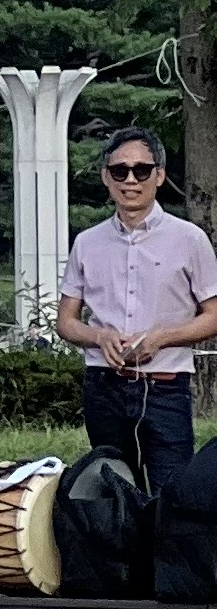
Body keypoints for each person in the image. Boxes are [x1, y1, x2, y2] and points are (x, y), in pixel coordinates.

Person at [54, 125, 217, 495]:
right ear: (106, 178)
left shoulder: (189, 238)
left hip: (165, 387)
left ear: (159, 175)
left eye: (142, 170)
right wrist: (99, 336)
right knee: (112, 494)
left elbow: (213, 314)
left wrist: (162, 338)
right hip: (103, 386)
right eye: (119, 171)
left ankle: (169, 555)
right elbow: (66, 321)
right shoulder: (87, 242)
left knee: (171, 494)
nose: (131, 180)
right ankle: (120, 555)